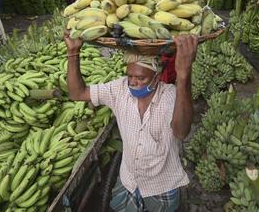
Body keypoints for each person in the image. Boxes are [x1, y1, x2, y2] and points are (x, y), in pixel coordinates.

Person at [64, 30, 198, 212]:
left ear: (157, 78)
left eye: (141, 78)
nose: (133, 83)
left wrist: (183, 76)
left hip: (162, 185)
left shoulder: (170, 95)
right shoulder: (120, 89)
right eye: (130, 76)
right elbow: (77, 93)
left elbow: (181, 132)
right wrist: (73, 53)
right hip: (129, 180)